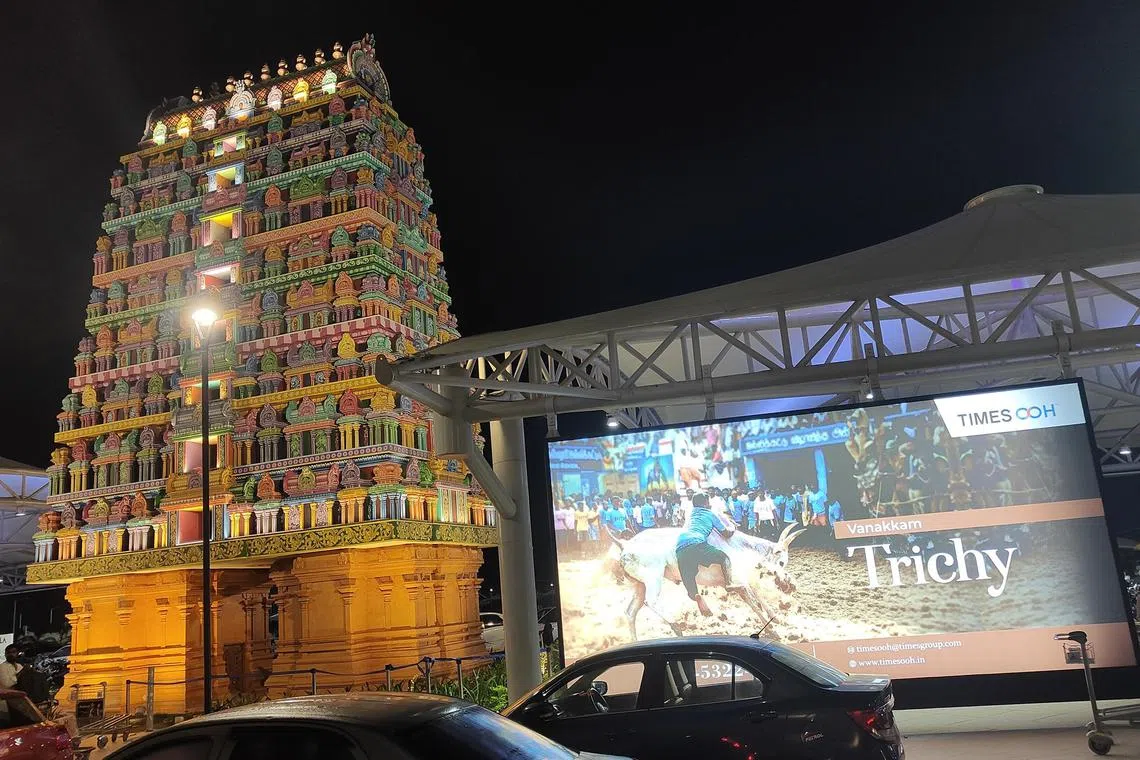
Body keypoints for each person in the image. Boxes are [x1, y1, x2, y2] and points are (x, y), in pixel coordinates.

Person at [675, 493, 736, 617]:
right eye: (708, 502)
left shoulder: (690, 514)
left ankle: (697, 597)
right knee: (724, 558)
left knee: (689, 577)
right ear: (704, 503)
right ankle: (730, 583)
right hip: (696, 543)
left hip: (680, 547)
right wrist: (733, 527)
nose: (710, 504)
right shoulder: (710, 514)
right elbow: (726, 534)